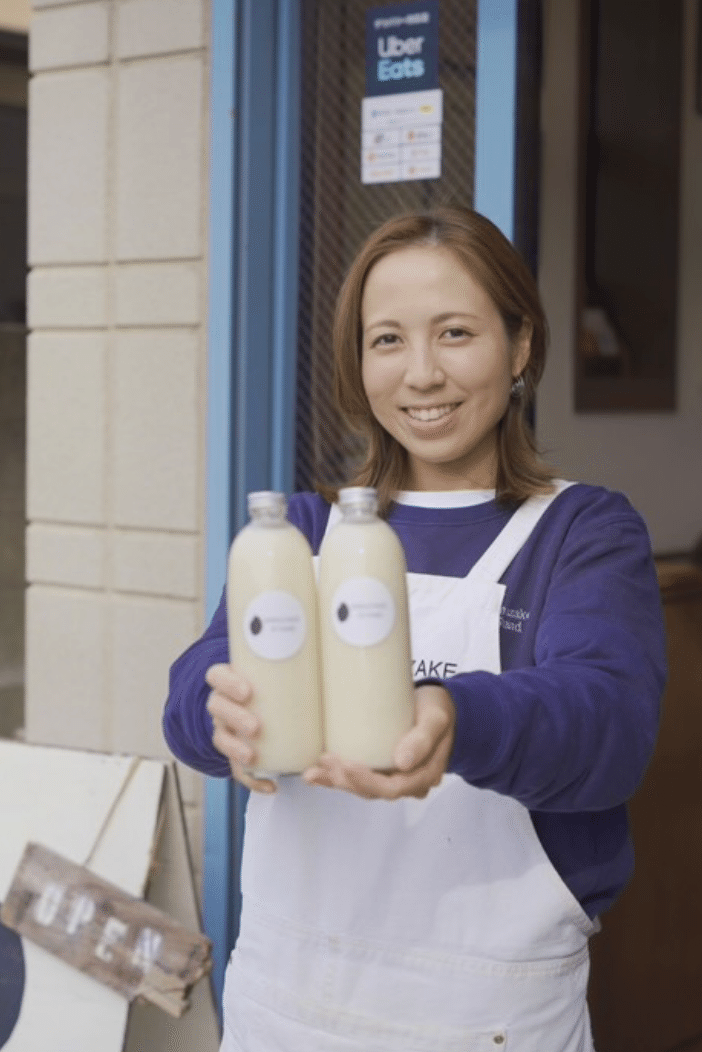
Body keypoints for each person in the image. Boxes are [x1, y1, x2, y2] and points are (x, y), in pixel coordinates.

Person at [162, 206, 666, 1051]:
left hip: (488, 1018)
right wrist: (215, 717)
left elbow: (609, 724)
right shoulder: (305, 534)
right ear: (358, 364)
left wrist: (454, 718)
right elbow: (200, 679)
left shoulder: (580, 532)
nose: (421, 373)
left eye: (457, 332)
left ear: (523, 347)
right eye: (387, 339)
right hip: (287, 1004)